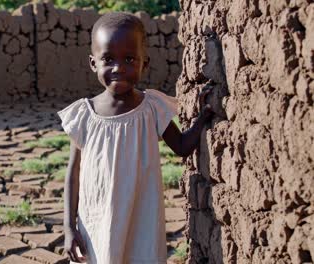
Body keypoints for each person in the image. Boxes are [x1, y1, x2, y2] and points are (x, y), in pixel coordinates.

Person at [57, 12, 213, 264]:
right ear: (93, 62)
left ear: (144, 63)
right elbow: (73, 176)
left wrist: (204, 116)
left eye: (129, 59)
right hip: (97, 219)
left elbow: (182, 146)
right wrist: (68, 228)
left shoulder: (151, 108)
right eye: (108, 58)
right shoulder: (84, 115)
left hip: (142, 218)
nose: (118, 68)